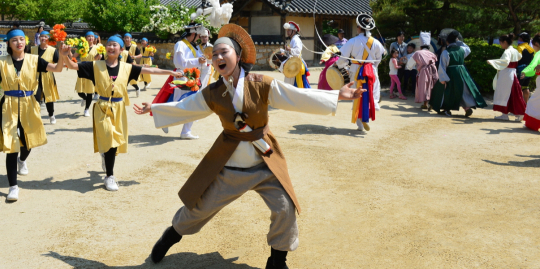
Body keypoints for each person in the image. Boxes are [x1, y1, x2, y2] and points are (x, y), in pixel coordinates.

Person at [133, 24, 364, 269]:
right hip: (229, 167)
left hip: (265, 163)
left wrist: (336, 96)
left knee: (285, 208)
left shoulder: (262, 83)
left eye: (224, 52)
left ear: (239, 56)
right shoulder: (212, 93)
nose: (219, 57)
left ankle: (277, 261)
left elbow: (295, 95)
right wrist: (154, 108)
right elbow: (186, 107)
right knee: (197, 210)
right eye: (215, 55)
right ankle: (170, 236)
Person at [0, 28, 67, 201]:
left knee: (29, 141)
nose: (19, 43)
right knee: (11, 145)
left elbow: (58, 69)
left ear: (26, 42)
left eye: (21, 39)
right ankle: (13, 187)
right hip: (8, 106)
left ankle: (22, 160)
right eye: (14, 40)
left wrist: (62, 55)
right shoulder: (1, 62)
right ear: (8, 43)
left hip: (29, 103)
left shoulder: (34, 59)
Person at [63, 35, 180, 191]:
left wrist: (171, 73)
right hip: (102, 107)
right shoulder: (95, 65)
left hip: (118, 108)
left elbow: (149, 69)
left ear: (120, 49)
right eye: (109, 45)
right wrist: (64, 55)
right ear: (105, 48)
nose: (111, 47)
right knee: (108, 137)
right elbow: (72, 66)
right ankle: (110, 176)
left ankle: (107, 162)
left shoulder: (127, 67)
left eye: (115, 45)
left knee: (113, 142)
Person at [337, 14, 385, 132]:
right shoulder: (377, 43)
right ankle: (371, 108)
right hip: (371, 71)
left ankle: (360, 124)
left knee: (357, 95)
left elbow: (343, 58)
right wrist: (372, 68)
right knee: (371, 94)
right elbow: (378, 59)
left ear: (359, 27)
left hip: (356, 70)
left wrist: (342, 66)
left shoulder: (352, 41)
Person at [430, 30, 486, 117]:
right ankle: (467, 108)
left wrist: (443, 78)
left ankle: (446, 110)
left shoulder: (446, 52)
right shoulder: (462, 50)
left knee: (448, 92)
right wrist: (458, 41)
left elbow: (442, 66)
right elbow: (468, 49)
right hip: (462, 72)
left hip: (451, 73)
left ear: (447, 42)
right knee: (463, 90)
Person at [487, 33, 526, 121]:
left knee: (510, 94)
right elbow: (519, 57)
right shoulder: (514, 50)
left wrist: (492, 61)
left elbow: (505, 62)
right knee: (512, 94)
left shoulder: (508, 51)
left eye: (501, 43)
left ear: (505, 42)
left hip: (507, 74)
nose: (500, 44)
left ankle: (519, 113)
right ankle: (506, 114)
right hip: (511, 73)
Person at [32, 31, 60, 124]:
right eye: (42, 36)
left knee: (49, 97)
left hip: (48, 76)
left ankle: (51, 115)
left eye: (45, 37)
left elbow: (58, 63)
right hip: (35, 77)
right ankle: (36, 116)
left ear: (48, 39)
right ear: (39, 38)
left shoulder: (53, 50)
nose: (43, 38)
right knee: (35, 97)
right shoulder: (33, 49)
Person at [406, 32, 438, 110]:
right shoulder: (432, 54)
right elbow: (435, 61)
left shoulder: (418, 53)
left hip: (423, 72)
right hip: (433, 71)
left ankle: (425, 104)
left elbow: (409, 65)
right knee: (431, 87)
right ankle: (430, 103)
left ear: (420, 46)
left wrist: (410, 68)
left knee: (424, 88)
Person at [75, 31, 101, 117]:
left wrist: (99, 56)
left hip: (91, 69)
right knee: (79, 91)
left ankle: (86, 109)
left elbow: (97, 60)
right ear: (85, 38)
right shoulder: (82, 47)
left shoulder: (98, 48)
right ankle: (84, 98)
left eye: (92, 37)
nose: (91, 38)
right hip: (82, 68)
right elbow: (73, 56)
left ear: (94, 38)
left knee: (90, 91)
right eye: (89, 36)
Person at [280, 21, 310, 88]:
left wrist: (289, 49)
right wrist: (285, 51)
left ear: (294, 31)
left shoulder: (295, 39)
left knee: (291, 82)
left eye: (289, 30)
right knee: (289, 81)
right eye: (287, 30)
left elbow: (298, 51)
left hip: (296, 63)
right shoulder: (293, 39)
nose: (287, 32)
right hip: (294, 62)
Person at [520, 34, 540, 131]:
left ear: (536, 43)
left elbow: (533, 65)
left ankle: (532, 124)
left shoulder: (539, 53)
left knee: (534, 102)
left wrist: (525, 72)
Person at [122, 33, 143, 98]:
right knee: (123, 79)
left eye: (128, 38)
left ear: (131, 39)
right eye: (125, 38)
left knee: (132, 79)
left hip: (132, 64)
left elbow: (140, 55)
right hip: (124, 64)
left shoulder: (134, 46)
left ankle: (137, 88)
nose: (126, 39)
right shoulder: (122, 46)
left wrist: (135, 56)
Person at [516, 32, 534, 103]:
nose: (518, 39)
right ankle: (525, 104)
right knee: (526, 87)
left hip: (521, 70)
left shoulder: (520, 47)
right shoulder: (531, 48)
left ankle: (518, 105)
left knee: (518, 87)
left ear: (522, 39)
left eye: (519, 37)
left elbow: (518, 58)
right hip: (529, 70)